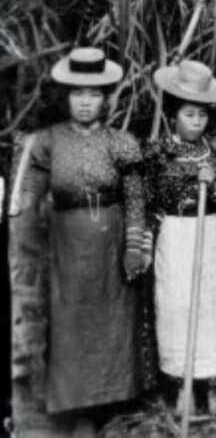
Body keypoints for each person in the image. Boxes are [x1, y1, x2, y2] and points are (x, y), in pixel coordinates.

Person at [17, 48, 150, 435]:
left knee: (111, 322)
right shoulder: (48, 142)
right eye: (78, 94)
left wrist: (134, 246)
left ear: (105, 99)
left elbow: (136, 199)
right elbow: (27, 191)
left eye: (94, 94)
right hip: (67, 244)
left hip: (110, 242)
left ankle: (111, 403)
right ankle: (75, 407)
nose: (86, 102)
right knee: (69, 321)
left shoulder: (120, 142)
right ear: (67, 97)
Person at [144, 61, 216, 416]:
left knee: (214, 305)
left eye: (202, 115)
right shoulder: (157, 153)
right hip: (175, 235)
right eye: (189, 114)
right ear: (174, 115)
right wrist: (144, 243)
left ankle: (215, 385)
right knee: (177, 305)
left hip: (210, 232)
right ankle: (183, 385)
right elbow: (148, 199)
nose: (197, 122)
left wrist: (213, 186)